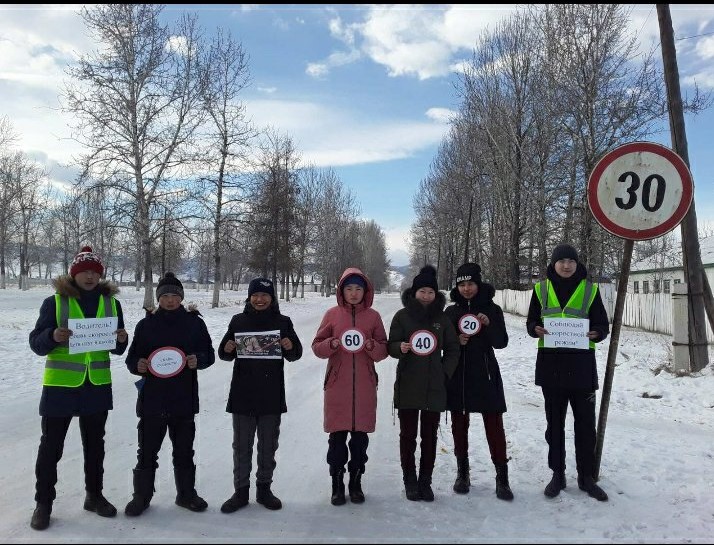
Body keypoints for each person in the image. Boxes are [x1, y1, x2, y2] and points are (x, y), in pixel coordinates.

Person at [28, 246, 129, 531]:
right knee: (51, 447)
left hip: (96, 385)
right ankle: (43, 504)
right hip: (60, 386)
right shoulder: (55, 302)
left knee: (95, 446)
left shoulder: (112, 304)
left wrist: (122, 339)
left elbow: (117, 348)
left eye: (95, 272)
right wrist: (52, 335)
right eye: (84, 271)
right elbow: (36, 343)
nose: (89, 276)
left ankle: (94, 496)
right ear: (74, 274)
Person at [124, 272, 215, 516]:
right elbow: (132, 358)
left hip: (183, 398)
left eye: (175, 295)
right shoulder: (146, 325)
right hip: (152, 399)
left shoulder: (195, 323)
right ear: (158, 298)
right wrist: (138, 365)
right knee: (147, 451)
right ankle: (141, 497)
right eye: (165, 296)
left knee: (184, 451)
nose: (170, 300)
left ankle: (186, 495)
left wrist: (198, 360)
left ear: (181, 297)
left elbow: (209, 354)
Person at [526, 244, 610, 502]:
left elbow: (602, 324)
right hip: (551, 368)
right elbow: (531, 321)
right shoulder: (540, 289)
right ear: (553, 264)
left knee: (585, 426)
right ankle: (558, 474)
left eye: (571, 261)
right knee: (555, 426)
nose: (566, 265)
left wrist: (597, 332)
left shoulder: (590, 290)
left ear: (577, 263)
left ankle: (586, 477)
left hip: (582, 367)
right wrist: (535, 329)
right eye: (561, 260)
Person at [218, 277, 303, 513]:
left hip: (271, 394)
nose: (259, 299)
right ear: (249, 297)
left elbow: (296, 354)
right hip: (242, 393)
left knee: (268, 445)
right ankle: (240, 491)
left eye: (264, 295)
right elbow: (224, 353)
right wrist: (227, 348)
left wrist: (290, 346)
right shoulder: (238, 321)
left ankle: (264, 489)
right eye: (255, 295)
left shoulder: (283, 322)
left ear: (272, 298)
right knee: (241, 446)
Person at [311, 268, 389, 506]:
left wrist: (370, 345)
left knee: (359, 442)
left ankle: (356, 483)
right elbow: (317, 346)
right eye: (349, 289)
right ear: (341, 291)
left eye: (358, 289)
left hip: (364, 387)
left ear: (366, 291)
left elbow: (383, 350)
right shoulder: (332, 315)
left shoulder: (373, 317)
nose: (354, 293)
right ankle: (337, 484)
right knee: (336, 441)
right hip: (337, 387)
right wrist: (333, 343)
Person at [388, 265, 460, 502]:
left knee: (429, 437)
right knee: (407, 436)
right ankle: (409, 480)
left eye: (430, 292)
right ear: (414, 292)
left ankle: (425, 481)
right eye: (422, 291)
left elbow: (453, 348)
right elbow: (391, 345)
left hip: (434, 386)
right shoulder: (402, 316)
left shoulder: (442, 319)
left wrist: (444, 372)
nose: (426, 296)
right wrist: (399, 347)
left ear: (435, 294)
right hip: (408, 383)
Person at [445, 262, 514, 501]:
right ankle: (462, 473)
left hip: (486, 374)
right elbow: (443, 344)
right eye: (462, 284)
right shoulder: (451, 312)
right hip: (459, 376)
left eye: (471, 283)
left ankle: (502, 478)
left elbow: (501, 342)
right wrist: (456, 340)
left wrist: (488, 325)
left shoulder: (492, 309)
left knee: (494, 425)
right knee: (459, 425)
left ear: (479, 284)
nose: (466, 289)